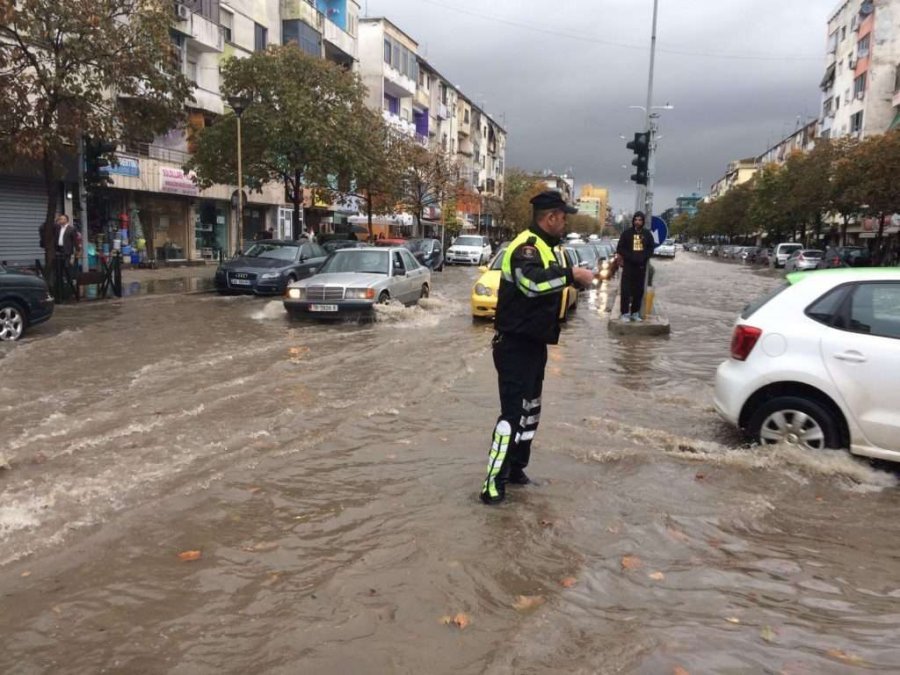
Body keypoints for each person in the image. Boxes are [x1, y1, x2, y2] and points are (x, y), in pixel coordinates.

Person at [479, 190, 594, 506]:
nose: (565, 221)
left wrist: (571, 277)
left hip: (534, 344)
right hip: (514, 344)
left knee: (530, 412)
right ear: (551, 217)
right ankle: (492, 484)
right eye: (563, 216)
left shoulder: (550, 248)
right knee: (512, 415)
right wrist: (571, 275)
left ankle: (517, 470)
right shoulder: (526, 247)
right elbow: (531, 285)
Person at [616, 211, 655, 322]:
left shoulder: (647, 234)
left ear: (643, 221)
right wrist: (629, 257)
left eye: (640, 220)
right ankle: (624, 313)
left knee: (638, 291)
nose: (637, 222)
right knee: (626, 291)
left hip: (641, 267)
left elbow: (651, 249)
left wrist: (643, 257)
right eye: (636, 220)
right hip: (628, 267)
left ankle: (635, 312)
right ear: (633, 221)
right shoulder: (627, 233)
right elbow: (620, 248)